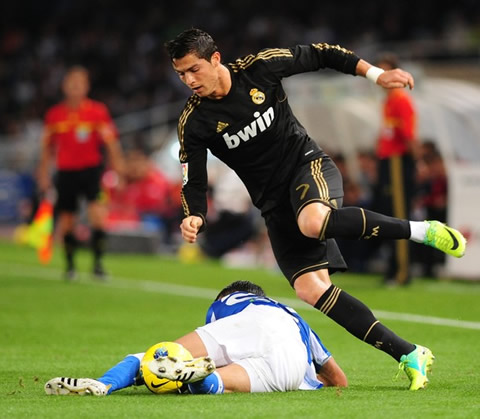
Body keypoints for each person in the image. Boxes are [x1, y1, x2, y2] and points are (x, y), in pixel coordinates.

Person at [163, 28, 468, 390]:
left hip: (306, 166)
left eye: (194, 69)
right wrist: (194, 213)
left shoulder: (260, 68)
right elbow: (192, 178)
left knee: (312, 222)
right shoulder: (194, 122)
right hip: (273, 203)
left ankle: (421, 230)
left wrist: (376, 74)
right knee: (311, 289)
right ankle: (409, 353)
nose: (189, 80)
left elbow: (322, 53)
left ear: (215, 58)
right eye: (181, 74)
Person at [44, 280, 348, 395]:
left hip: (254, 326)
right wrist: (309, 380)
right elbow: (338, 380)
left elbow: (215, 331)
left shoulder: (233, 300)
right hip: (290, 367)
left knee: (159, 354)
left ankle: (105, 384)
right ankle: (198, 378)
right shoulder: (296, 319)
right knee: (219, 385)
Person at [37, 66, 124, 280]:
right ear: (64, 86)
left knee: (98, 217)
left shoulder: (97, 112)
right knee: (67, 220)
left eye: (79, 82)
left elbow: (112, 144)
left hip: (91, 171)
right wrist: (43, 174)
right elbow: (47, 149)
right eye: (71, 82)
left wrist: (118, 171)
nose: (75, 86)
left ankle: (98, 264)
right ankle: (70, 267)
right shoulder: (55, 115)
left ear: (86, 86)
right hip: (66, 172)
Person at [372, 53, 418, 285]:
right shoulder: (388, 102)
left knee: (399, 215)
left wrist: (418, 162)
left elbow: (408, 136)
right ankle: (394, 267)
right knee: (389, 214)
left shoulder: (400, 100)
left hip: (398, 161)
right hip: (388, 161)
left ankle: (402, 271)